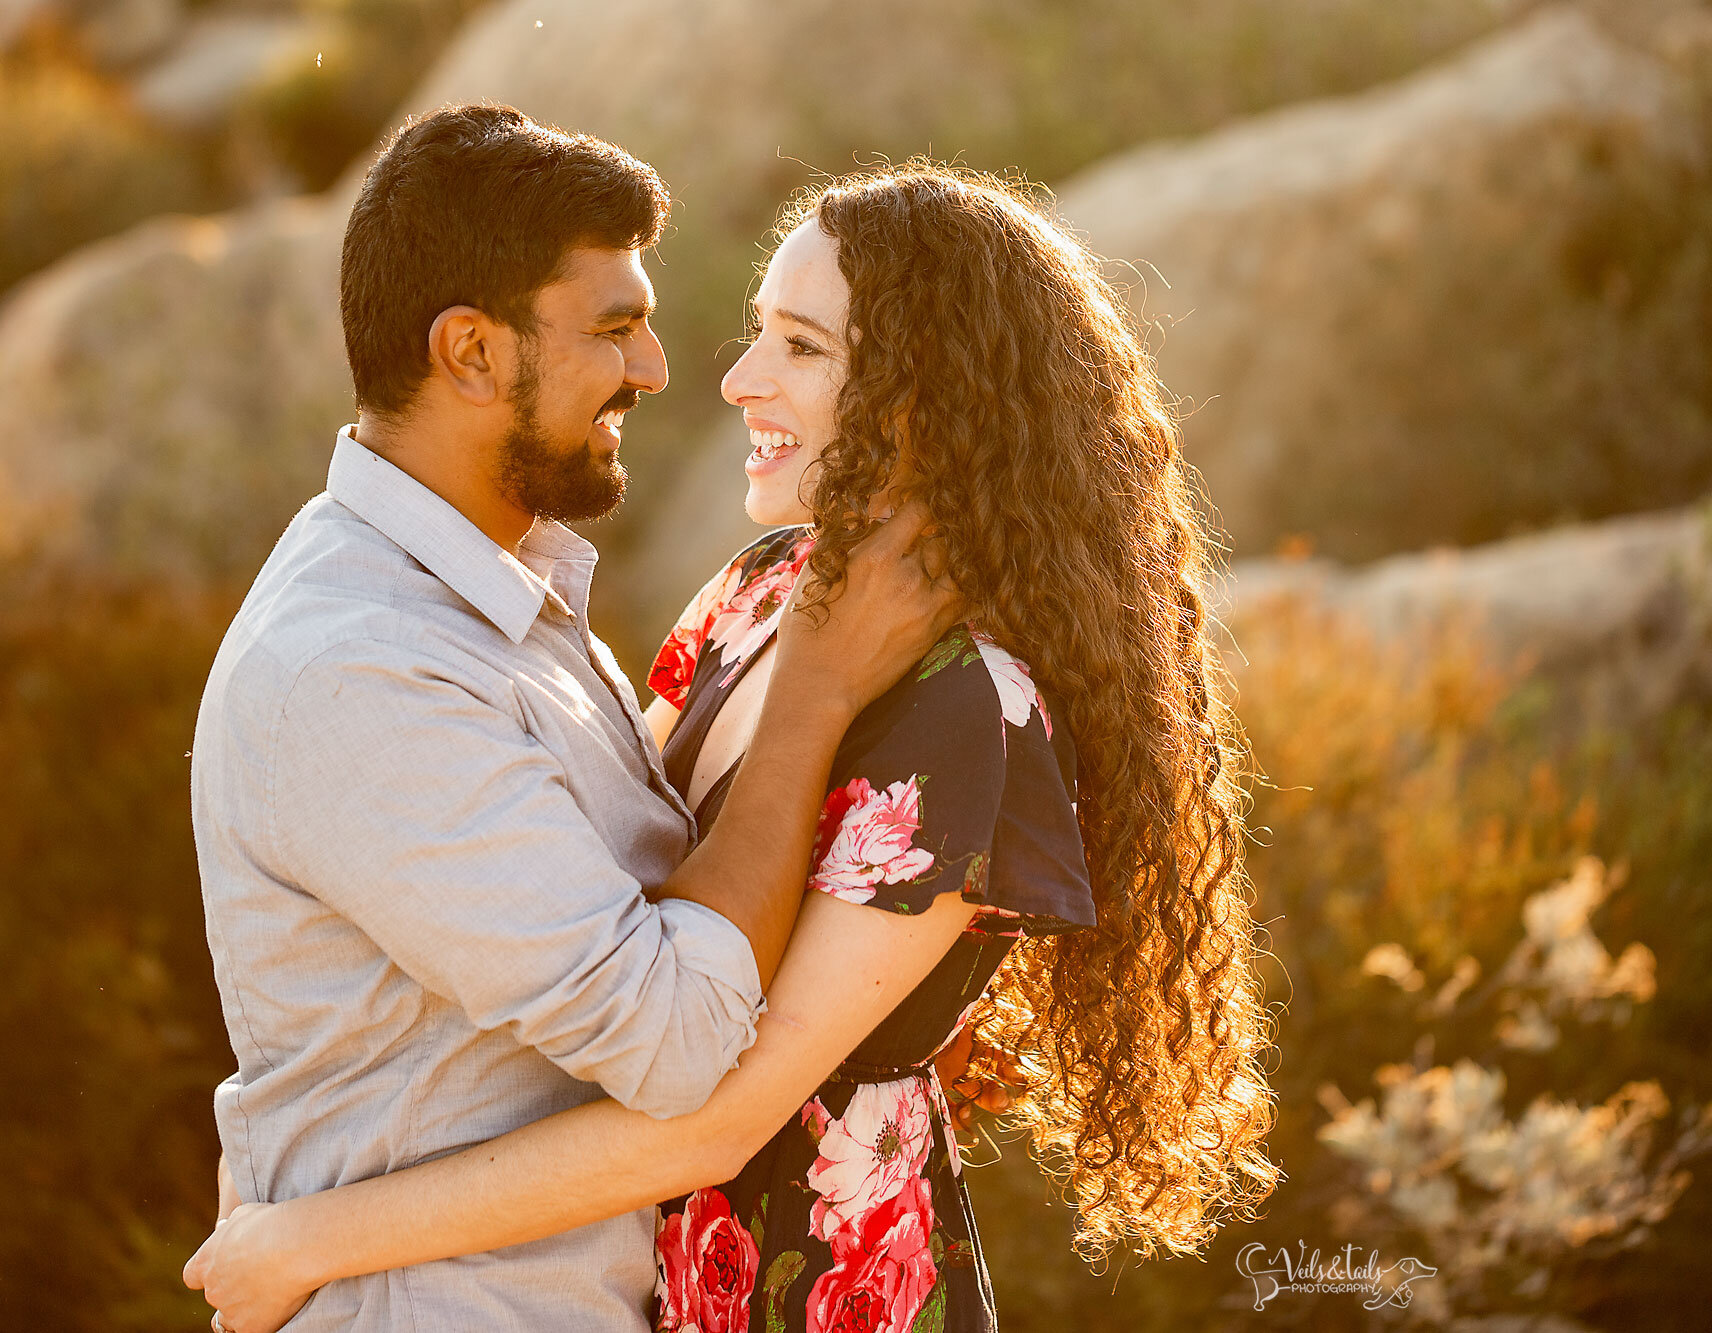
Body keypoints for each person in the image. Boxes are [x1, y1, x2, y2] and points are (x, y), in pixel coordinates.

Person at [186, 163, 1280, 1332]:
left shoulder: (971, 711)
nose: (731, 378)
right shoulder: (755, 598)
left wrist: (305, 1232)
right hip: (632, 1263)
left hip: (807, 1282)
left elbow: (719, 1112)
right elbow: (623, 890)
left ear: (924, 394)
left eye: (800, 348)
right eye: (757, 333)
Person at [186, 106, 963, 1333]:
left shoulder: (497, 596)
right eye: (613, 329)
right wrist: (811, 694)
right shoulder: (363, 668)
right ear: (472, 354)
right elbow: (679, 1038)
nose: (655, 369)